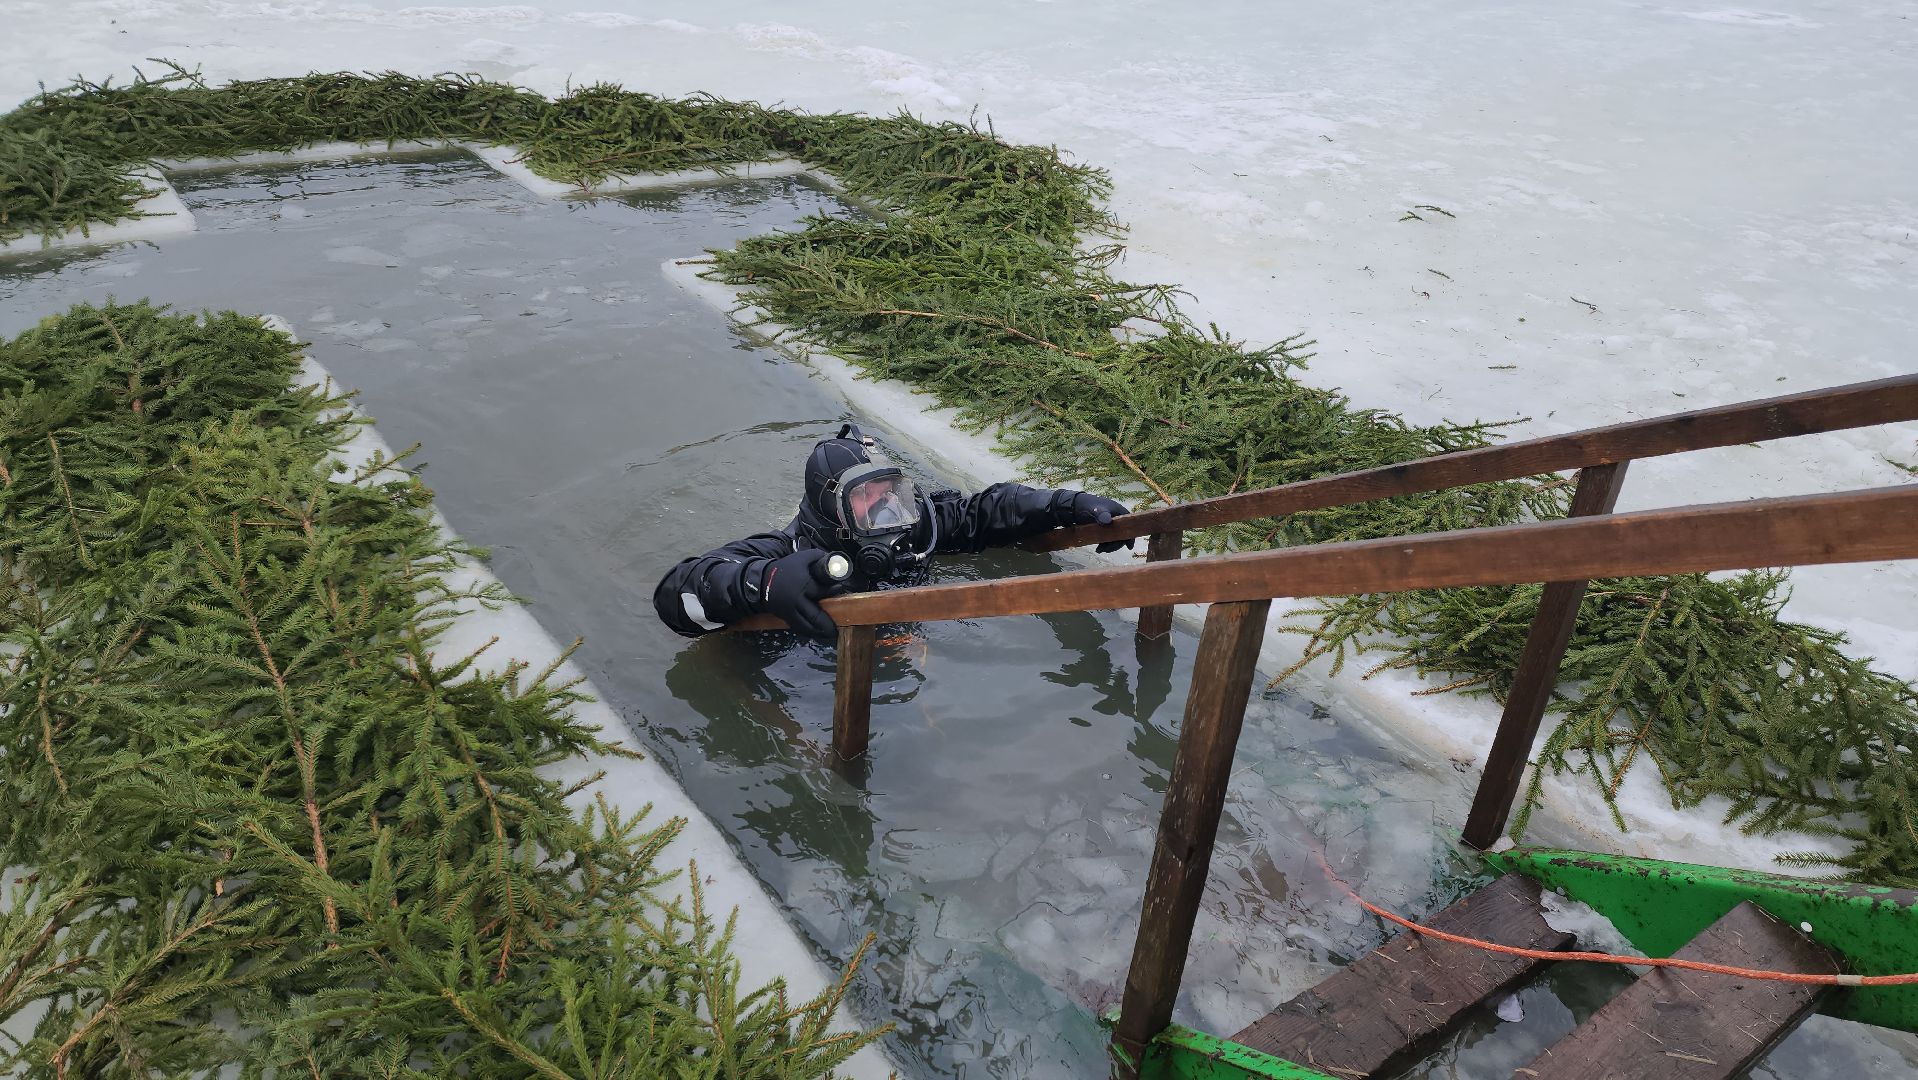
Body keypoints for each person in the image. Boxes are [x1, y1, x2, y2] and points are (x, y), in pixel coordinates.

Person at [654, 424, 1134, 640]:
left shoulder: (911, 529)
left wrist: (1062, 506)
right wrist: (763, 584)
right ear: (831, 509)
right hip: (810, 673)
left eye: (891, 493)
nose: (886, 510)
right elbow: (679, 595)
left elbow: (985, 512)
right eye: (866, 500)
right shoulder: (791, 550)